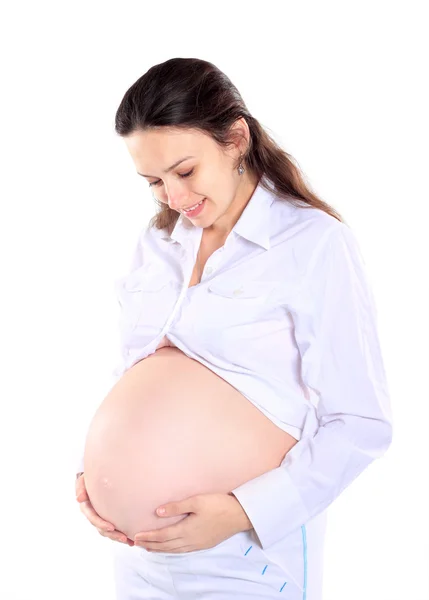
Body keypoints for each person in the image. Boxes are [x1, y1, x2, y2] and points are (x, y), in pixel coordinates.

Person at [75, 57, 393, 599]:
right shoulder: (157, 245)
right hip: (137, 560)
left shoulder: (313, 243)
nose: (172, 198)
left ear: (236, 138)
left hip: (244, 554)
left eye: (184, 171)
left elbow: (360, 421)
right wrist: (97, 481)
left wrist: (241, 511)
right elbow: (135, 376)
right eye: (152, 180)